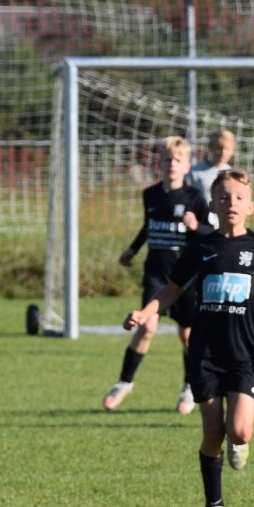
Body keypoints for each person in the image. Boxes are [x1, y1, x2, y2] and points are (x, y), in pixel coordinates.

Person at [125, 169, 254, 507]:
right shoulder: (201, 247)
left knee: (240, 432)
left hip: (243, 353)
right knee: (212, 432)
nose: (231, 202)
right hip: (204, 353)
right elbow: (172, 289)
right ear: (212, 206)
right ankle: (214, 506)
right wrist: (145, 312)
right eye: (223, 197)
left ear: (250, 206)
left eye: (238, 197)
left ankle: (239, 442)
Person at [105, 136, 212, 415]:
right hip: (156, 273)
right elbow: (148, 226)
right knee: (146, 325)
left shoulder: (194, 198)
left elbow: (210, 233)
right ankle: (124, 382)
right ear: (159, 163)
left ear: (187, 165)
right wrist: (132, 249)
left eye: (178, 160)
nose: (172, 164)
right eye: (167, 159)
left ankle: (189, 385)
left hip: (187, 277)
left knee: (187, 336)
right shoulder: (150, 194)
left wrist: (196, 227)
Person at [188, 128, 237, 219]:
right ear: (211, 148)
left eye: (227, 149)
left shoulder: (233, 175)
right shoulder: (195, 172)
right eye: (219, 148)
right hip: (201, 222)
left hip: (224, 222)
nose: (223, 153)